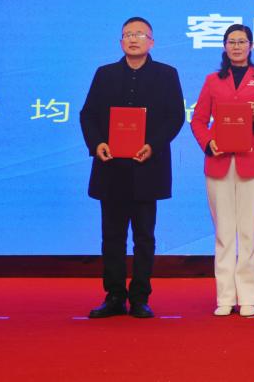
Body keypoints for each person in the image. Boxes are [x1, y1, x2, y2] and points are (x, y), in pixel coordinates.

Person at [79, 17, 184, 319]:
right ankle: (114, 296)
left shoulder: (166, 74)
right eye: (128, 34)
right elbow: (88, 115)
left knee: (144, 237)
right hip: (111, 167)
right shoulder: (105, 74)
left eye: (140, 34)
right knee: (112, 237)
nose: (133, 39)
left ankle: (140, 297)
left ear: (152, 41)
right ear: (120, 41)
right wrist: (97, 144)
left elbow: (175, 117)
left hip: (147, 167)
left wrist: (153, 144)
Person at [191, 24, 254, 318]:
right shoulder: (212, 80)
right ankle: (225, 296)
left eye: (242, 42)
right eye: (232, 42)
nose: (237, 46)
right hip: (219, 162)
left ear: (251, 46)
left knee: (249, 232)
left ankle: (249, 296)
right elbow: (198, 120)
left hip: (253, 163)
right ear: (224, 46)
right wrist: (208, 143)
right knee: (224, 232)